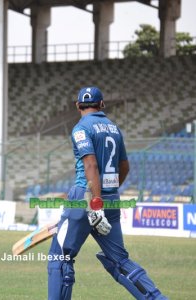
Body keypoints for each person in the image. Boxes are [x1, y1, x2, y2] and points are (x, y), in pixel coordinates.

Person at [47, 86, 168, 300]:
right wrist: (105, 195)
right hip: (110, 200)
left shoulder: (81, 128)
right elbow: (125, 167)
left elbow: (90, 164)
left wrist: (95, 203)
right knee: (119, 260)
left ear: (77, 106)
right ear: (102, 105)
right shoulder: (114, 128)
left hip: (86, 199)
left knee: (60, 258)